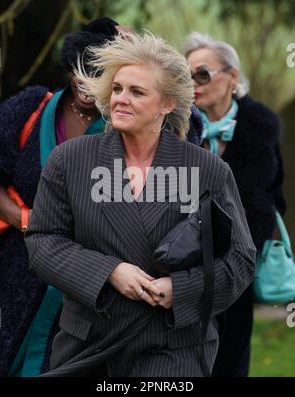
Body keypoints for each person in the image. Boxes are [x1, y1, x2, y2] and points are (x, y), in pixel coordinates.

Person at [24, 32, 256, 377]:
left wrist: (181, 289)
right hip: (88, 345)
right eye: (117, 89)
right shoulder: (69, 160)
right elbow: (43, 242)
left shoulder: (207, 169)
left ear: (167, 104)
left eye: (136, 92)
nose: (120, 99)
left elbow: (240, 258)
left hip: (173, 347)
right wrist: (110, 272)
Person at [0, 17, 123, 377]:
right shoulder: (31, 107)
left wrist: (151, 58)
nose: (87, 81)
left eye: (101, 72)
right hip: (15, 273)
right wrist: (28, 222)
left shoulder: (127, 123)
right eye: (82, 67)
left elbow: (186, 125)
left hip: (86, 284)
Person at [183, 31, 286, 377]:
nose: (194, 83)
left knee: (229, 364)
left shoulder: (260, 131)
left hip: (237, 272)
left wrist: (237, 258)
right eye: (186, 76)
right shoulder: (174, 128)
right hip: (181, 272)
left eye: (202, 73)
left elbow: (272, 200)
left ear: (232, 77)